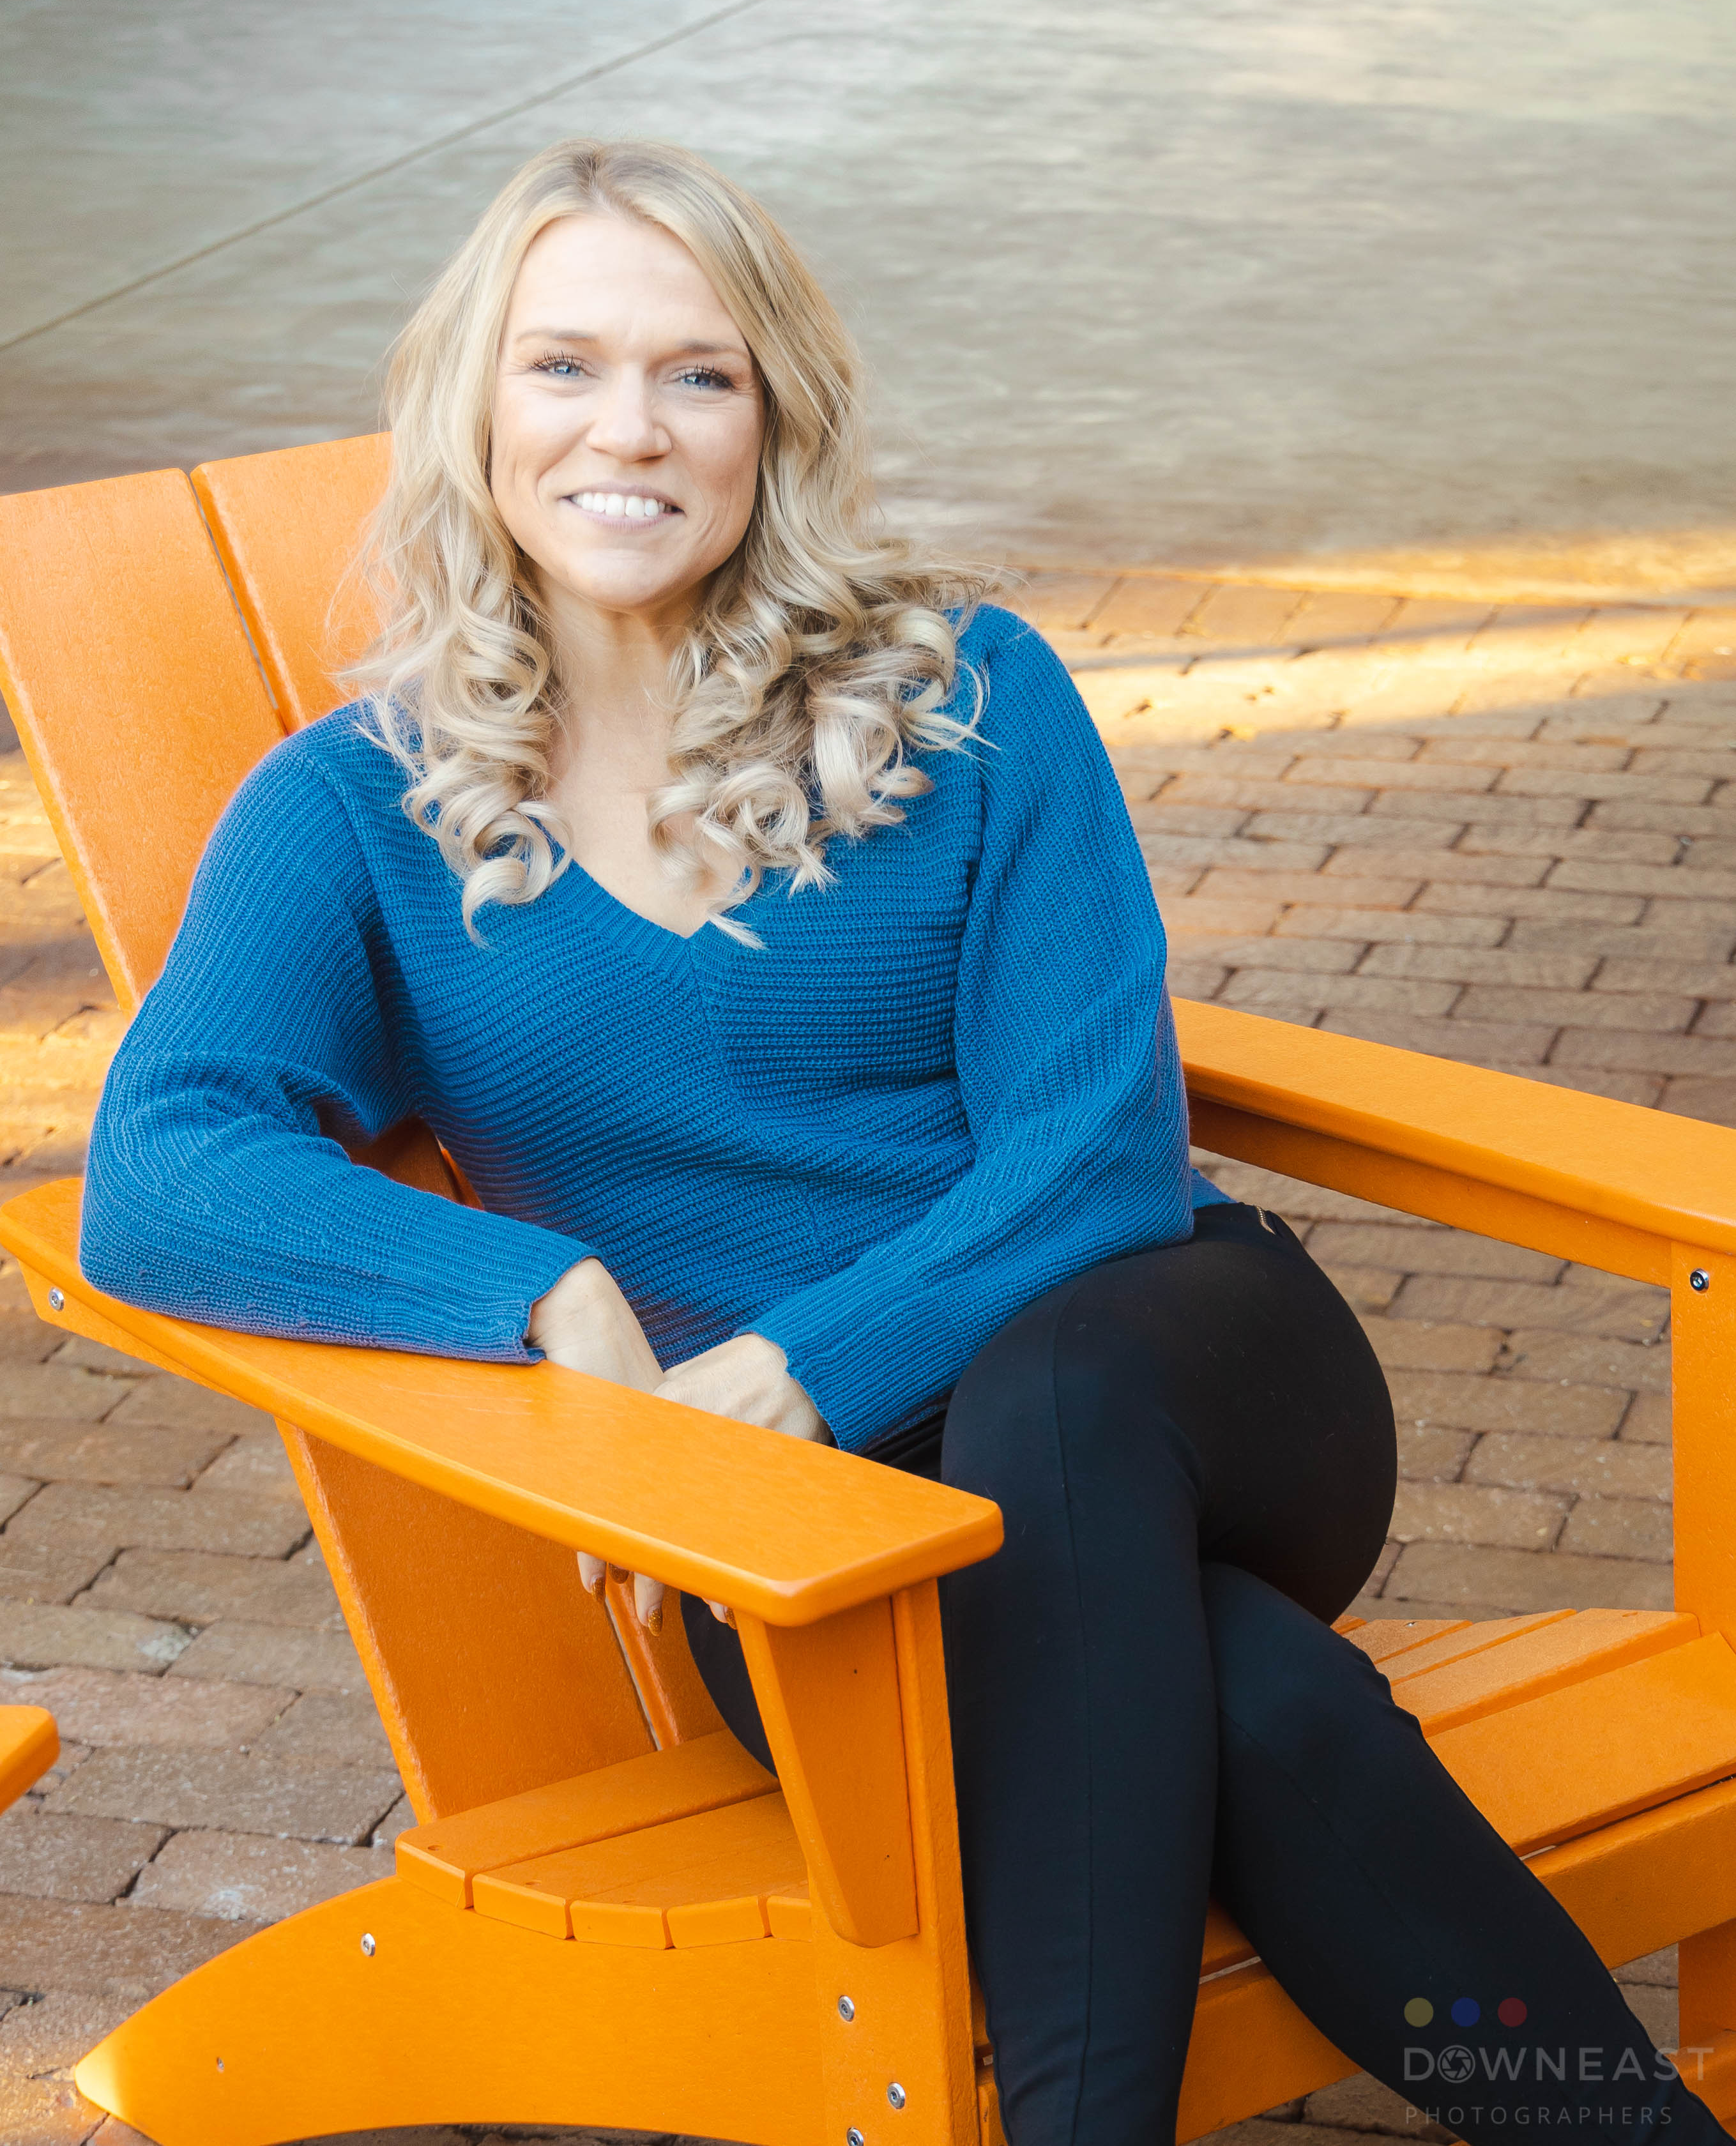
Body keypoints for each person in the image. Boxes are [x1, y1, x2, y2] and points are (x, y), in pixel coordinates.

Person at [79, 139, 1723, 2146]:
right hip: (813, 1553)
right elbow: (161, 1165)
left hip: (1178, 1374)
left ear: (774, 421)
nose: (629, 429)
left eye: (698, 374)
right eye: (563, 366)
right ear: (469, 411)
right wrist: (543, 1289)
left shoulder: (967, 699)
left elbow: (1095, 1161)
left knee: (1056, 1400)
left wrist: (801, 1363)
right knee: (1267, 1708)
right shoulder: (358, 809)